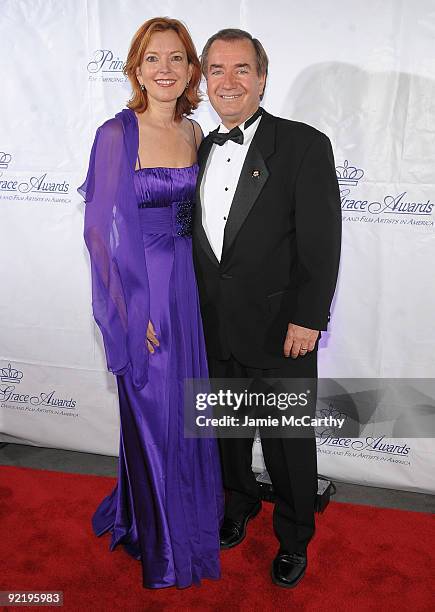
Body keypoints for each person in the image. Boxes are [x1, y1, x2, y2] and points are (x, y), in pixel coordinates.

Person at [78, 17, 224, 590]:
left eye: (177, 59)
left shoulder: (193, 133)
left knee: (187, 414)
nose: (165, 70)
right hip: (147, 294)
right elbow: (99, 236)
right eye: (153, 59)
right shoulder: (117, 134)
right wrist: (130, 315)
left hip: (189, 288)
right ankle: (160, 541)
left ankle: (181, 515)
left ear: (190, 70)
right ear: (136, 69)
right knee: (153, 414)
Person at [193, 29, 341, 588]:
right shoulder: (202, 147)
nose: (228, 82)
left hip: (284, 328)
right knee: (228, 435)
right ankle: (239, 506)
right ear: (204, 80)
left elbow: (322, 242)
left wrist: (309, 317)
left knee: (287, 445)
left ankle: (295, 534)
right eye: (216, 70)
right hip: (216, 326)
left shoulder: (303, 144)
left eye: (241, 69)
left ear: (261, 78)